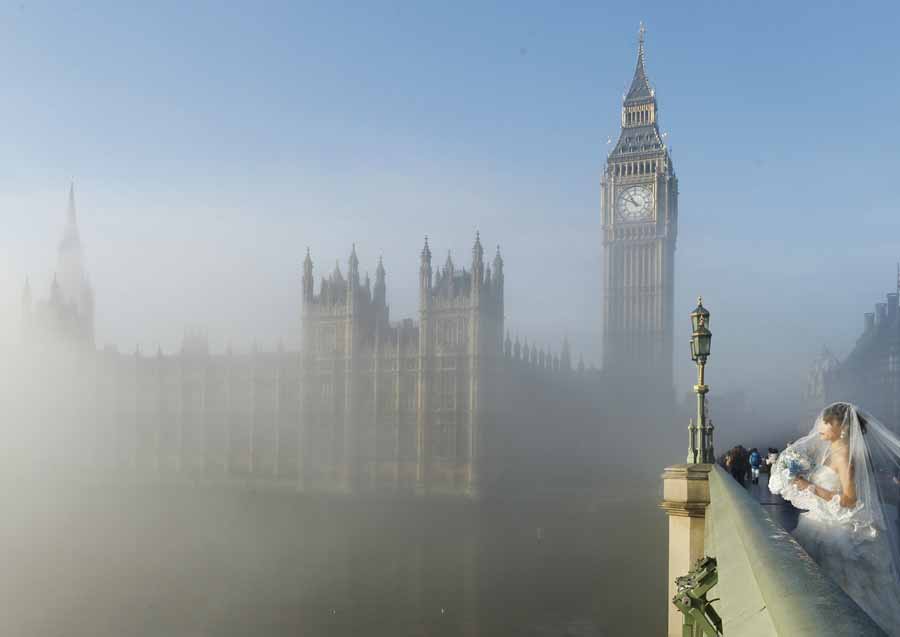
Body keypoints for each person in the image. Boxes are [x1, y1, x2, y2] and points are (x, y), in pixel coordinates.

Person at [768, 402, 900, 634]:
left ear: (844, 427)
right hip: (826, 522)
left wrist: (808, 485)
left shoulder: (846, 456)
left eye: (828, 422)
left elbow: (849, 500)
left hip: (840, 530)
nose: (822, 425)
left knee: (844, 592)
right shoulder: (832, 451)